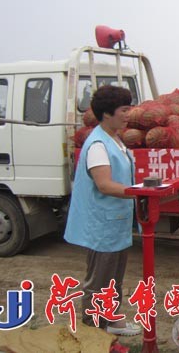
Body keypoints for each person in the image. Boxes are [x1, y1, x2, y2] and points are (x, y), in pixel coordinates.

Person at [64, 85, 141, 336]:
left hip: (116, 221)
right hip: (102, 224)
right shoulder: (98, 144)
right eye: (123, 110)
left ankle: (111, 321)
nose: (128, 115)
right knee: (98, 280)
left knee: (113, 278)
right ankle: (92, 331)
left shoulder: (115, 139)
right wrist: (138, 192)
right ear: (107, 113)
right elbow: (104, 184)